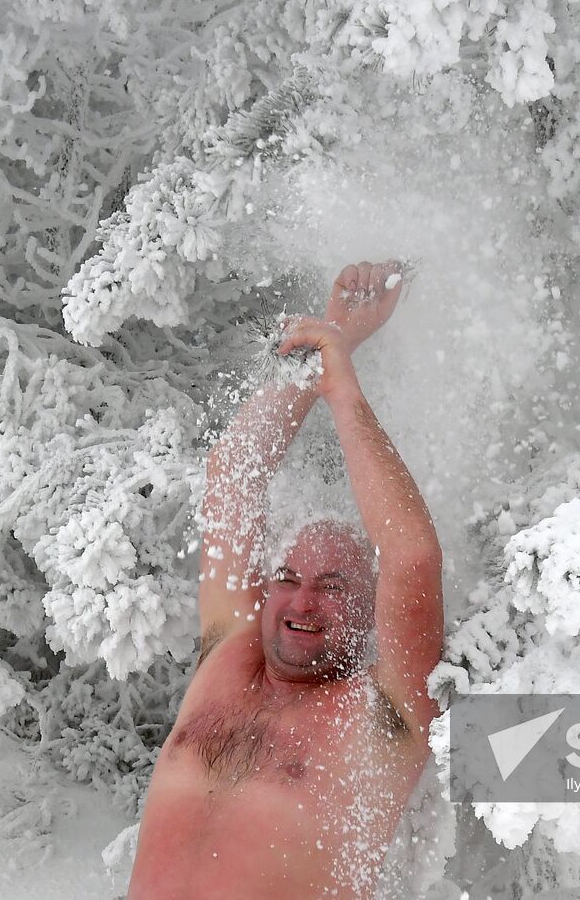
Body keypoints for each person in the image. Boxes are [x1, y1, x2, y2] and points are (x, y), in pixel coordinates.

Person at [128, 261, 443, 899]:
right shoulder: (228, 657)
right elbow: (233, 482)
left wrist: (345, 394)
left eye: (333, 586)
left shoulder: (383, 718)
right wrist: (326, 347)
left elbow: (410, 556)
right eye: (289, 577)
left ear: (370, 613)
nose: (304, 600)